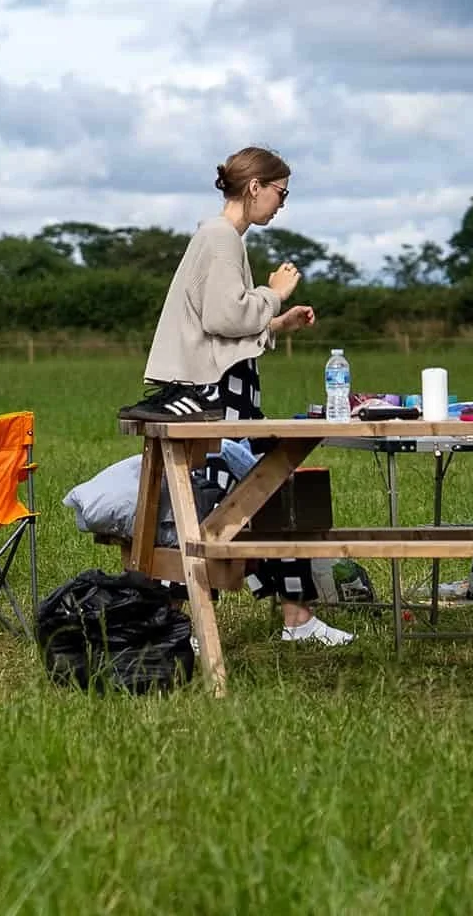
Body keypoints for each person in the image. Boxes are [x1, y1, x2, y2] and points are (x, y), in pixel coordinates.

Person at [116, 146, 345, 646]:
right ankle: (193, 625)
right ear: (256, 187)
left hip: (225, 388)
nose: (283, 203)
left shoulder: (219, 237)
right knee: (219, 502)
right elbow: (225, 317)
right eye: (282, 192)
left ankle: (290, 618)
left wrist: (274, 323)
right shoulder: (221, 238)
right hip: (218, 398)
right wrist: (274, 294)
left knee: (254, 494)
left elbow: (219, 324)